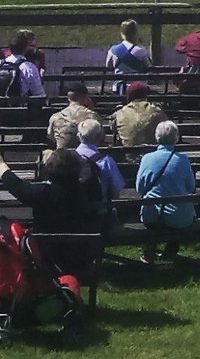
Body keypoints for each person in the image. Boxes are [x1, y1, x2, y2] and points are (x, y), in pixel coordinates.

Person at [0, 148, 104, 277]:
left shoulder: (44, 193)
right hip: (81, 255)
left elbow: (17, 186)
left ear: (48, 169)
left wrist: (2, 165)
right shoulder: (86, 191)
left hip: (47, 257)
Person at [137, 120, 196, 265]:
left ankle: (148, 251)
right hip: (180, 217)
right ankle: (170, 251)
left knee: (150, 208)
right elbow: (191, 187)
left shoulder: (147, 158)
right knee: (177, 208)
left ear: (157, 137)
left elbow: (140, 188)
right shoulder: (183, 159)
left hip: (153, 216)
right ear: (176, 138)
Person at [75, 118, 126, 210]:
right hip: (98, 213)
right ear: (100, 137)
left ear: (79, 135)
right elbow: (116, 191)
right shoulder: (106, 161)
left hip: (73, 212)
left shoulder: (68, 158)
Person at [1, 30, 47, 118]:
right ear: (26, 48)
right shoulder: (28, 67)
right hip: (19, 112)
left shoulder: (1, 64)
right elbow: (38, 92)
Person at [47, 81, 100, 150]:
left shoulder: (55, 117)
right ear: (86, 97)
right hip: (84, 157)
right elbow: (99, 138)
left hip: (62, 157)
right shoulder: (92, 116)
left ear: (68, 98)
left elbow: (51, 137)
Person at [113, 81, 168, 147]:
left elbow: (112, 127)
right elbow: (166, 124)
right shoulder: (156, 110)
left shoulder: (120, 112)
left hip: (128, 154)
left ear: (128, 96)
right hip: (153, 154)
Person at [105, 19, 152, 87]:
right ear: (136, 33)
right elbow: (148, 67)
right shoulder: (141, 50)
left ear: (122, 33)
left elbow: (108, 66)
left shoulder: (113, 50)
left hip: (118, 86)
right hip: (137, 88)